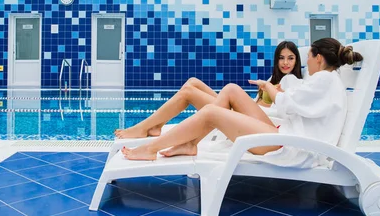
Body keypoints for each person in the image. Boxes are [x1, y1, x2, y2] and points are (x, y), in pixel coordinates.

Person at [122, 38, 363, 169]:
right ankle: (189, 142)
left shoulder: (324, 80)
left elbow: (288, 103)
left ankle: (150, 149)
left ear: (318, 59)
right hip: (286, 136)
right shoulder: (328, 81)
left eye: (308, 57)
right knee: (231, 90)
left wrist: (271, 87)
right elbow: (294, 102)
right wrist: (275, 87)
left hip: (292, 147)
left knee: (210, 113)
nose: (306, 63)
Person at [114, 41, 302, 139]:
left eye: (291, 58)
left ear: (297, 61)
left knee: (188, 92)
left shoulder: (292, 83)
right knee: (193, 82)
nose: (286, 63)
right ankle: (155, 125)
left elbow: (284, 111)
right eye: (282, 58)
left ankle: (143, 127)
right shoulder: (273, 79)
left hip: (250, 121)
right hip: (242, 112)